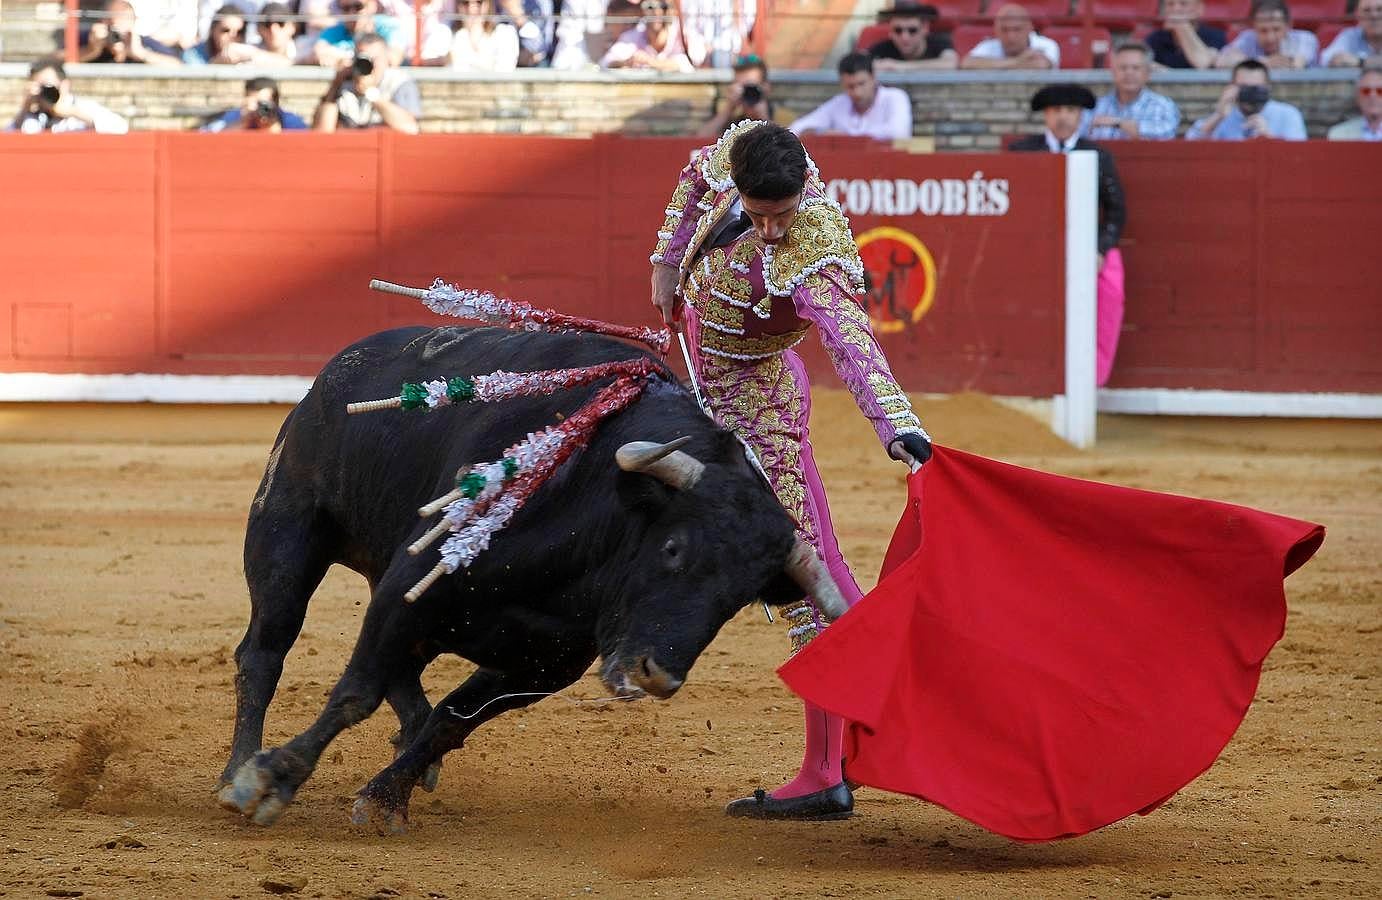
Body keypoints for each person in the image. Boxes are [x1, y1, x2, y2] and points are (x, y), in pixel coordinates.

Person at [648, 120, 933, 820]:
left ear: (804, 190)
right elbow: (692, 176)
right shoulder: (740, 155)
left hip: (763, 418)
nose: (771, 231)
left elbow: (851, 344)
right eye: (758, 213)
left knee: (814, 579)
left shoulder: (819, 251)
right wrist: (667, 259)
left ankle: (830, 769)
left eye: (783, 215)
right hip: (705, 395)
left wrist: (898, 427)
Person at [1009, 84, 1127, 388]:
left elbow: (1116, 210)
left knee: (1108, 295)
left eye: (1070, 111)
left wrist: (1100, 249)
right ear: (1046, 115)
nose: (1063, 118)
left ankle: (1090, 382)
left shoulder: (1098, 155)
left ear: (1081, 116)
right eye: (1056, 111)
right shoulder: (1021, 152)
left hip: (1086, 250)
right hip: (1032, 251)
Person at [789, 52, 912, 141]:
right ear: (842, 83)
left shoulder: (895, 97)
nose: (857, 92)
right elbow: (796, 129)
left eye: (861, 84)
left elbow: (899, 132)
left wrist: (845, 136)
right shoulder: (839, 103)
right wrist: (818, 132)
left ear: (873, 77)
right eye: (850, 86)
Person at [314, 32, 421, 133]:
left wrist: (371, 94)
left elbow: (410, 128)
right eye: (363, 59)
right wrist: (335, 85)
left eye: (374, 59)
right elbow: (321, 131)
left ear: (386, 60)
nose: (369, 64)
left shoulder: (398, 82)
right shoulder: (345, 80)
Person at [1187, 58, 1307, 139]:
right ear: (1232, 87)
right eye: (1243, 87)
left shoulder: (1288, 114)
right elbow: (1188, 148)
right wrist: (1218, 116)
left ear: (1268, 87)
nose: (1250, 93)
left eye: (1256, 88)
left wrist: (1267, 137)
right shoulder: (1223, 115)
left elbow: (1299, 157)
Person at [7, 58, 130, 134]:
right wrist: (25, 107)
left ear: (65, 84)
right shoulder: (31, 117)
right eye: (39, 87)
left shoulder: (84, 108)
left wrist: (73, 113)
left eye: (48, 86)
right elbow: (7, 140)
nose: (43, 92)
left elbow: (120, 127)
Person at [1088, 41, 1181, 140]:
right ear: (1113, 72)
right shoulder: (1096, 106)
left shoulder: (1163, 105)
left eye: (1136, 68)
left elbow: (1167, 134)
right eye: (1123, 68)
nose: (1129, 73)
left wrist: (1118, 123)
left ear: (1148, 73)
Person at [696, 53, 794, 138]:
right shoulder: (732, 122)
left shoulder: (785, 118)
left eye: (751, 86)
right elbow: (698, 145)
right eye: (741, 86)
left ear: (767, 87)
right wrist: (728, 110)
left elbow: (789, 152)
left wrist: (765, 119)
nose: (747, 92)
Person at [600, 0, 706, 71]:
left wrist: (651, 62)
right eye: (650, 6)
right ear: (641, 11)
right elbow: (606, 62)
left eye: (663, 6)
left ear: (673, 11)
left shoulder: (684, 34)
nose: (657, 12)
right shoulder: (634, 35)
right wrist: (626, 62)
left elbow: (692, 60)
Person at [1216, 0, 1319, 69]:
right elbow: (1221, 61)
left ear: (1288, 26)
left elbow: (1296, 65)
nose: (1270, 38)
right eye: (1263, 30)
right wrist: (1267, 62)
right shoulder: (1247, 37)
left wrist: (1248, 62)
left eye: (1276, 29)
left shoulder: (1305, 39)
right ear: (1254, 27)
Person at [80, 0, 185, 66]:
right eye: (112, 26)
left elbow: (179, 66)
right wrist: (91, 51)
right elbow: (64, 61)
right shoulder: (91, 39)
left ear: (133, 24)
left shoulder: (140, 42)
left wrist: (140, 53)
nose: (117, 35)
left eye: (122, 25)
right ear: (103, 22)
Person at [961, 4, 1059, 70]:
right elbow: (967, 64)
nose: (1011, 36)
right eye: (1005, 30)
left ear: (1030, 28)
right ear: (996, 30)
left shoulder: (1046, 44)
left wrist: (991, 65)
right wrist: (1019, 60)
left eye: (1017, 29)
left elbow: (1040, 66)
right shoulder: (989, 45)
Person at [867, 1, 957, 71]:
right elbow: (860, 63)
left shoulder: (940, 42)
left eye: (912, 30)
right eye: (898, 30)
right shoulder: (882, 47)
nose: (905, 37)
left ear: (925, 28)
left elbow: (951, 63)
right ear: (890, 31)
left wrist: (899, 66)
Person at [315, 0, 408, 67]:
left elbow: (393, 59)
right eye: (346, 8)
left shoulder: (390, 27)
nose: (352, 13)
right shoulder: (335, 30)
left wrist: (345, 61)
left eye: (358, 6)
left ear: (373, 5)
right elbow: (318, 54)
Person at [202, 77, 309, 131]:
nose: (261, 108)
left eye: (263, 102)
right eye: (256, 102)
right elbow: (209, 136)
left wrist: (273, 126)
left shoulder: (289, 120)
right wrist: (243, 122)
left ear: (275, 102)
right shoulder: (235, 116)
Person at [1144, 0, 1225, 69]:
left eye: (1183, 4)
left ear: (1199, 8)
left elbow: (1204, 64)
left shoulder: (1216, 36)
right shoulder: (1155, 38)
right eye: (1170, 4)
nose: (1176, 9)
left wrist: (1182, 27)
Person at [448, 0, 520, 71]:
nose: (472, 9)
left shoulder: (505, 33)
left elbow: (504, 70)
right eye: (465, 3)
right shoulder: (452, 36)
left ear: (488, 4)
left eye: (479, 2)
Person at [184, 4, 256, 64]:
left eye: (239, 32)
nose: (233, 36)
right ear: (213, 30)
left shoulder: (249, 52)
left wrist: (252, 55)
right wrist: (217, 63)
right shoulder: (194, 53)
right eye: (226, 30)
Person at [1326, 64, 1382, 139]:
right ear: (1357, 97)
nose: (1372, 96)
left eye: (1379, 91)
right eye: (1366, 91)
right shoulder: (1338, 135)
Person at [1321, 0, 1382, 67]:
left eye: (1380, 9)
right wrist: (1337, 60)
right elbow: (1327, 59)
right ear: (1357, 15)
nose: (1374, 15)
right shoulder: (1350, 36)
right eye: (1366, 10)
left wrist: (1360, 62)